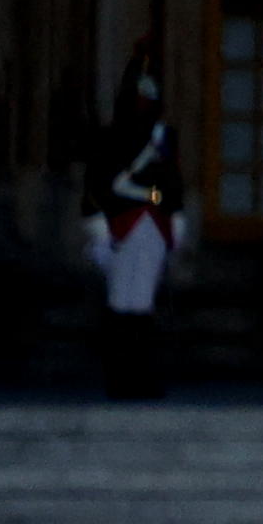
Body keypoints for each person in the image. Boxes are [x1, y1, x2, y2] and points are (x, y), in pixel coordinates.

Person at [87, 37, 182, 401]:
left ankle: (140, 378)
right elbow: (99, 184)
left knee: (141, 305)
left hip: (150, 226)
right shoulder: (111, 138)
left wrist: (167, 212)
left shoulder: (163, 136)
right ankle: (120, 379)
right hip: (120, 227)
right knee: (121, 305)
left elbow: (169, 183)